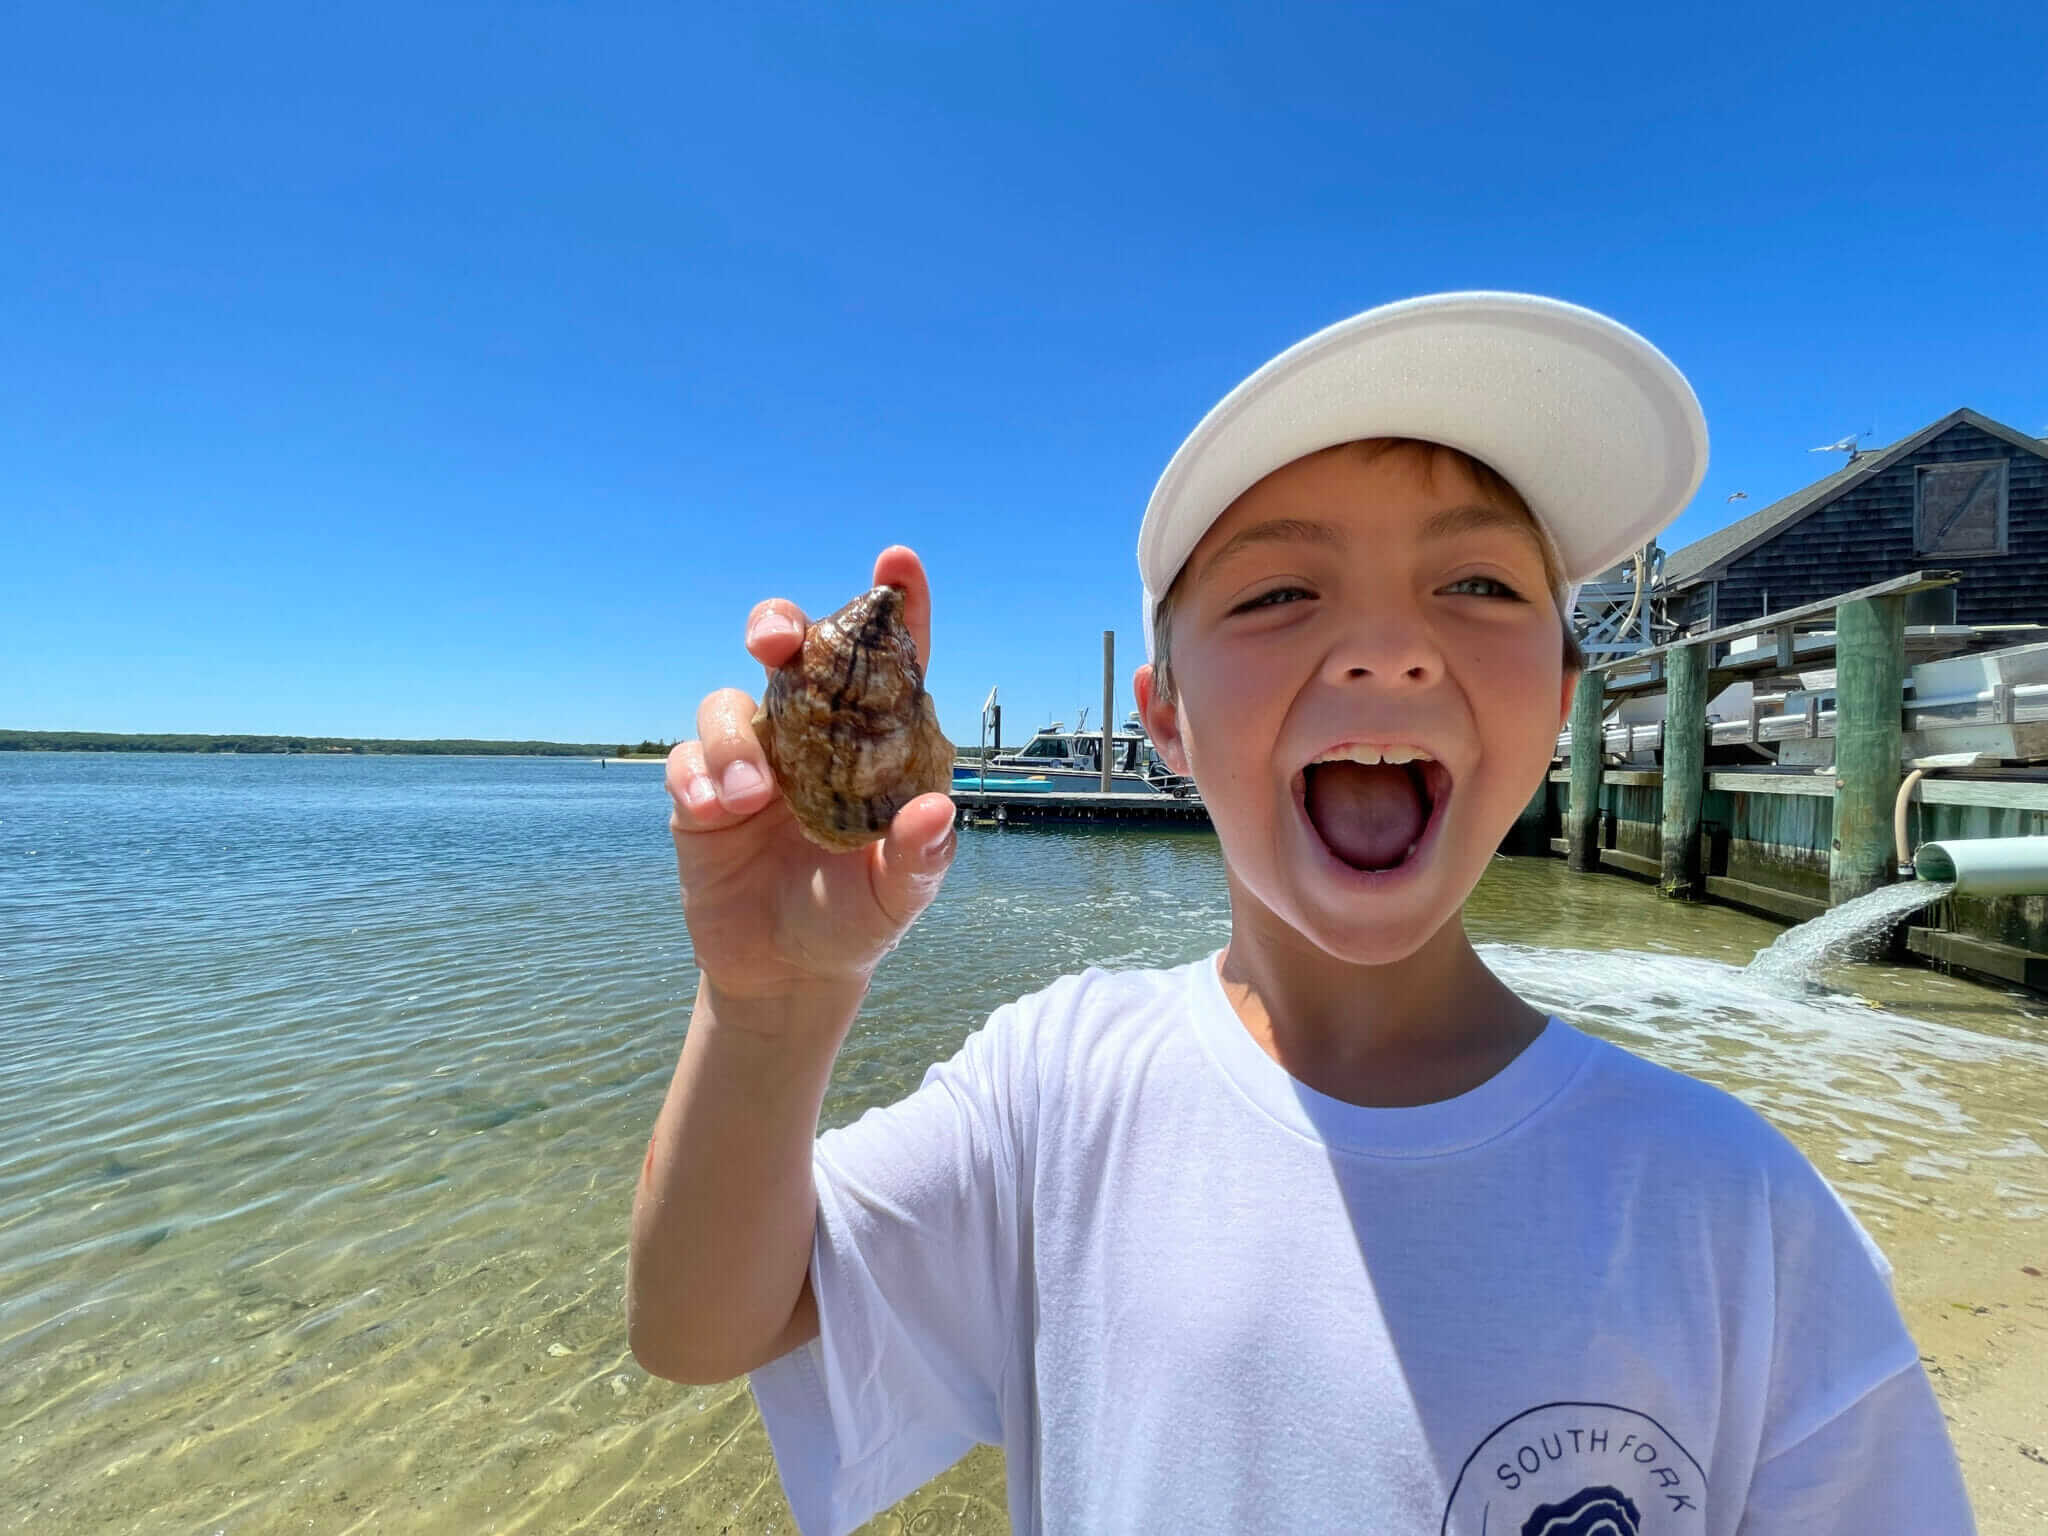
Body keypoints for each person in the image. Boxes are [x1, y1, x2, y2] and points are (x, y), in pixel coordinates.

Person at [627, 293, 1975, 1534]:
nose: (1387, 645)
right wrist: (767, 1009)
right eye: (1280, 592)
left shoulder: (1740, 1216)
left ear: (1562, 699)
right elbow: (702, 1325)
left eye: (1479, 585)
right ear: (1166, 721)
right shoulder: (1057, 1096)